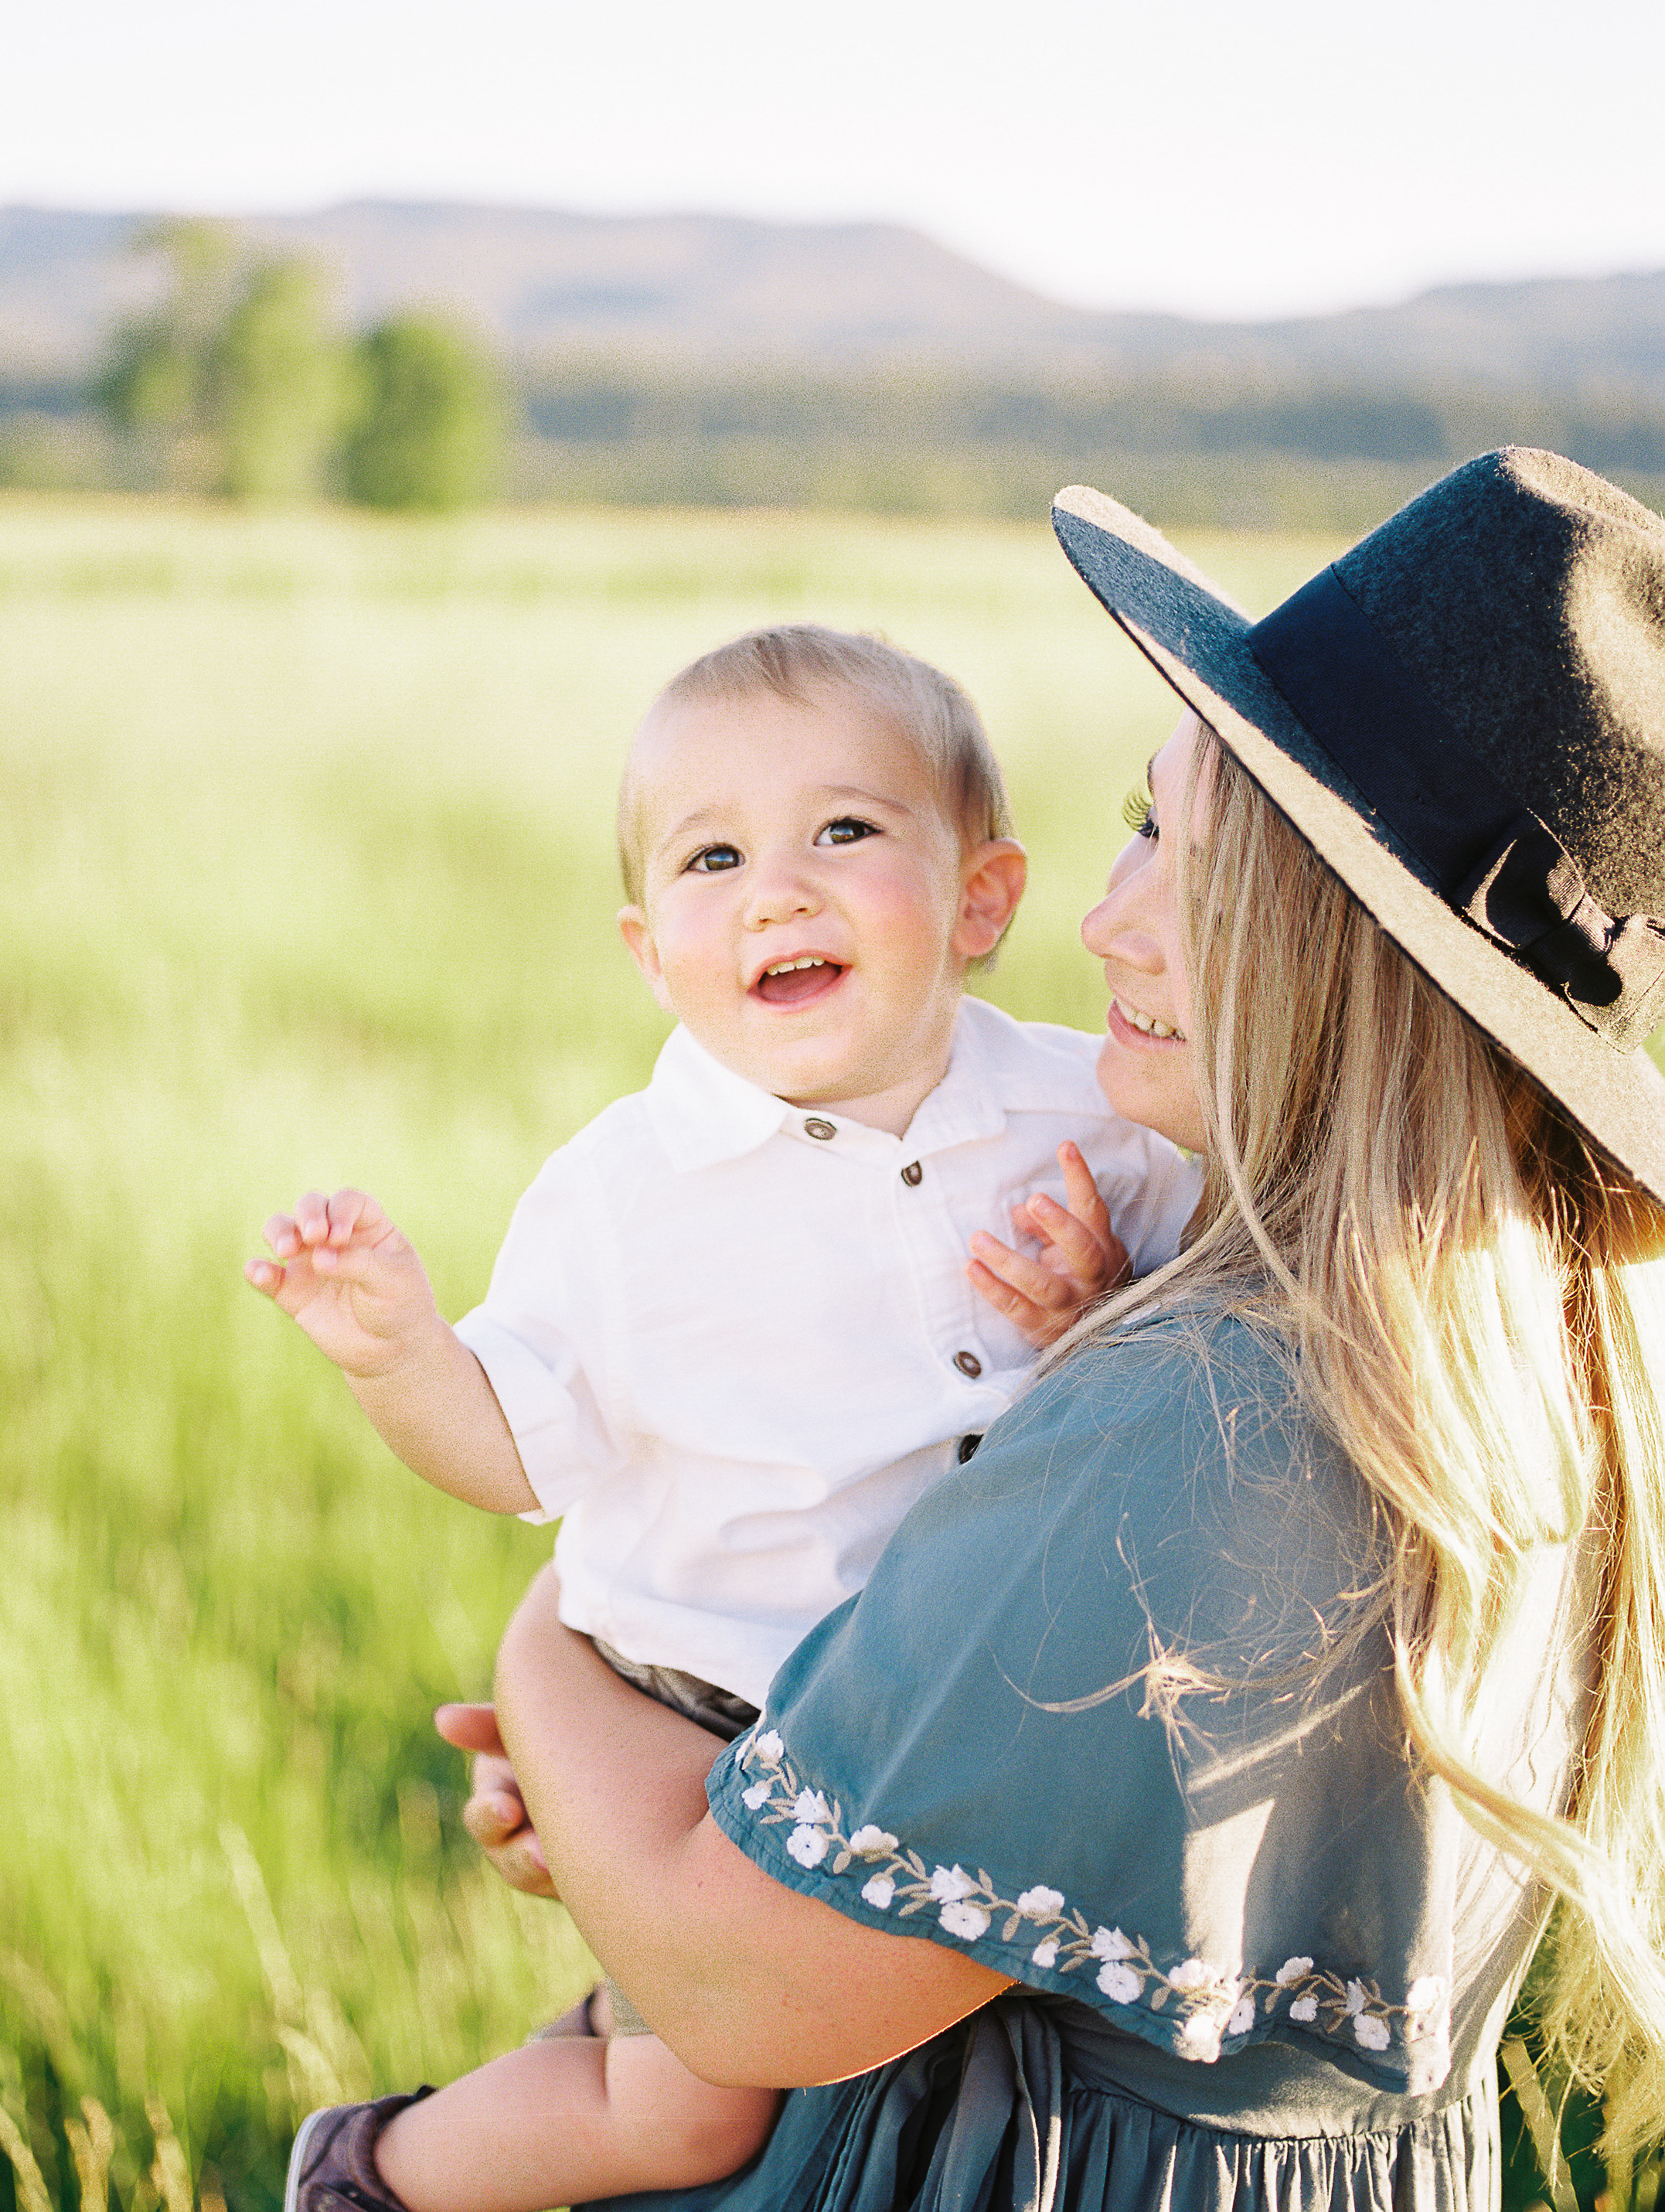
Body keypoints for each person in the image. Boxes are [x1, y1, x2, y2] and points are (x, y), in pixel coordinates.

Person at [415, 449, 1665, 2211]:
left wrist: (560, 1676)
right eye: (1139, 821)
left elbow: (746, 1977)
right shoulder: (1535, 1349)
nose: (1102, 919)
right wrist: (649, 1816)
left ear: (1357, 949)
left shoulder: (1208, 1414)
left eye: (1198, 853)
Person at [250, 625, 1201, 2212]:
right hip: (707, 1715)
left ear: (983, 898)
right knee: (690, 2112)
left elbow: (1178, 1361)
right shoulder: (627, 1199)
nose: (778, 890)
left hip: (942, 1709)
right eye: (713, 858)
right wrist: (398, 1357)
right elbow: (510, 1453)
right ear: (650, 953)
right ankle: (370, 2176)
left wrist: (1095, 1313)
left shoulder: (1095, 1119)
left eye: (845, 830)